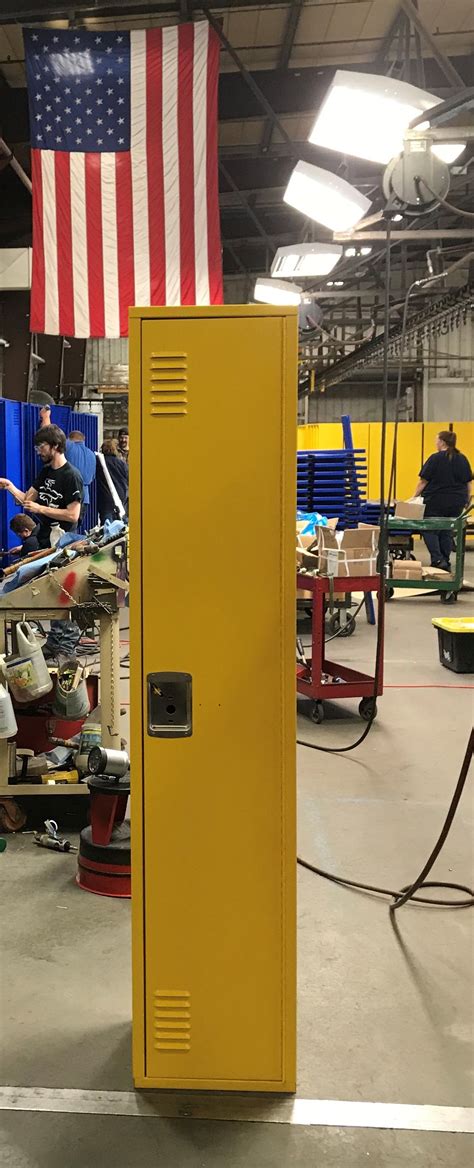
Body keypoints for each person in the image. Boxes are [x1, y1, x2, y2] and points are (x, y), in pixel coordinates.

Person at [0, 424, 84, 658]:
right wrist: (8, 486)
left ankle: (65, 648)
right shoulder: (45, 473)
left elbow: (72, 515)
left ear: (55, 447)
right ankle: (55, 642)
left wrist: (41, 508)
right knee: (50, 592)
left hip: (64, 542)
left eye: (41, 446)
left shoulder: (71, 476)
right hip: (46, 541)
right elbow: (26, 500)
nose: (38, 451)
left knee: (63, 594)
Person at [413, 431, 472, 571]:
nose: (436, 443)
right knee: (446, 530)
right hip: (456, 502)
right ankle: (445, 561)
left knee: (428, 528)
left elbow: (423, 481)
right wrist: (467, 500)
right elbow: (468, 483)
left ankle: (437, 559)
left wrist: (414, 498)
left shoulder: (435, 458)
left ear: (442, 442)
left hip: (435, 500)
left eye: (437, 440)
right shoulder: (462, 459)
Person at [39, 407, 96, 519]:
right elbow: (92, 477)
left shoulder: (69, 446)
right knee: (73, 530)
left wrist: (45, 417)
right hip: (85, 499)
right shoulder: (92, 455)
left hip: (67, 497)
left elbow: (49, 435)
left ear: (69, 439)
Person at [96, 438, 129, 523]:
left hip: (105, 499)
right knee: (121, 525)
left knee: (107, 527)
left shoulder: (99, 462)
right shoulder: (122, 463)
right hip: (120, 498)